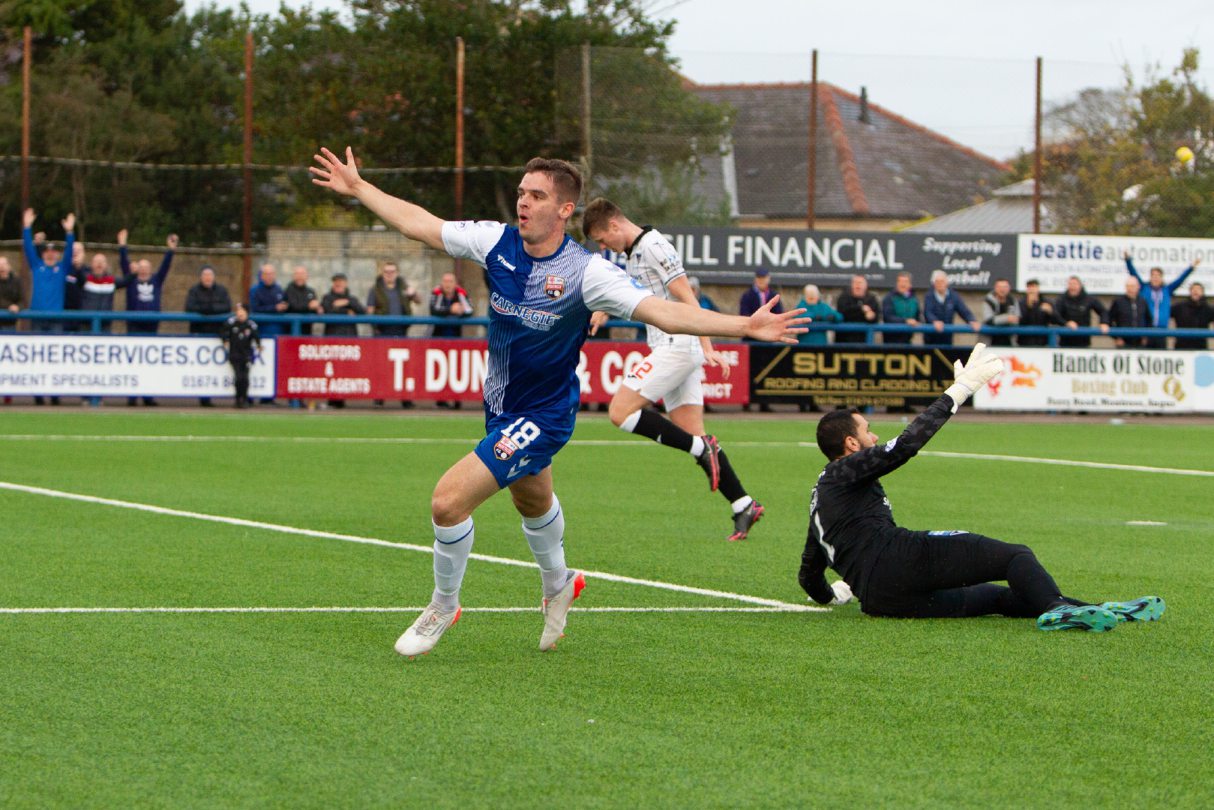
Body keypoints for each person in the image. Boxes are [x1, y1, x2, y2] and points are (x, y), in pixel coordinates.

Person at [310, 146, 805, 658]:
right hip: (501, 407)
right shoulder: (495, 242)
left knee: (447, 502)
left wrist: (744, 325)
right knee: (532, 500)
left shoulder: (588, 273)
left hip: (544, 415)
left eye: (537, 196)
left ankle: (443, 605)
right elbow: (423, 225)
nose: (523, 203)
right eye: (522, 193)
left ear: (565, 210)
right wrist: (360, 189)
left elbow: (663, 311)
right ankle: (559, 582)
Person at [798, 343, 1165, 631]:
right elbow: (906, 445)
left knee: (997, 599)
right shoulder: (845, 471)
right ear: (850, 444)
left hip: (881, 600)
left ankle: (1096, 610)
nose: (873, 435)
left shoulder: (820, 496)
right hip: (898, 562)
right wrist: (958, 392)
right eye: (866, 431)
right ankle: (1058, 610)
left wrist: (833, 596)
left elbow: (809, 574)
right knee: (1014, 556)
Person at [582, 197, 765, 542]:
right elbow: (640, 295)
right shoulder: (635, 252)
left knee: (620, 411)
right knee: (691, 432)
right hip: (675, 347)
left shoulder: (653, 246)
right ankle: (743, 503)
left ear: (614, 225)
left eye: (602, 239)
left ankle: (703, 449)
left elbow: (688, 300)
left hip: (678, 345)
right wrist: (605, 310)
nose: (604, 247)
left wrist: (708, 346)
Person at [367, 260, 421, 408]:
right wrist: (375, 325)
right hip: (383, 332)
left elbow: (418, 301)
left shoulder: (403, 288)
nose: (389, 275)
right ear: (382, 274)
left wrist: (413, 293)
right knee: (381, 366)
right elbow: (370, 310)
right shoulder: (375, 289)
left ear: (396, 273)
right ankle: (380, 397)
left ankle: (405, 398)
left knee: (405, 367)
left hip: (401, 331)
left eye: (392, 272)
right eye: (386, 272)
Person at [1124, 251, 1198, 349]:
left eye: (1158, 276)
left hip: (1162, 330)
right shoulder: (1144, 288)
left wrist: (1191, 267)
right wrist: (1128, 260)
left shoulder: (1167, 290)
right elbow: (1134, 273)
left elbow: (1180, 279)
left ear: (1162, 278)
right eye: (1153, 276)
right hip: (1146, 330)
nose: (1155, 278)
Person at [21, 208, 75, 334]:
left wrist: (70, 232)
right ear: (43, 254)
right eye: (47, 252)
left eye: (53, 252)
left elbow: (69, 252)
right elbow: (28, 248)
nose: (50, 255)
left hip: (56, 318)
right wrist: (27, 227)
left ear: (57, 254)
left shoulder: (62, 268)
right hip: (37, 316)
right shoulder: (36, 265)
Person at [185, 265, 233, 407]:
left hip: (217, 334)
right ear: (201, 277)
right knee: (199, 367)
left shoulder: (221, 290)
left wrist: (208, 309)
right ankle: (202, 397)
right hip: (199, 333)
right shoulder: (194, 291)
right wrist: (210, 310)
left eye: (210, 275)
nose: (207, 278)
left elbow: (226, 307)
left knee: (215, 366)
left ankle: (212, 395)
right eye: (205, 275)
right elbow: (190, 307)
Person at [119, 229, 177, 335]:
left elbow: (165, 266)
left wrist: (171, 250)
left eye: (146, 267)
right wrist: (122, 246)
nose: (144, 270)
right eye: (141, 267)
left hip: (152, 324)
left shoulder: (156, 280)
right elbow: (124, 264)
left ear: (150, 269)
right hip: (133, 324)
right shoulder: (131, 280)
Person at [923, 270, 980, 346]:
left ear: (947, 282)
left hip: (947, 337)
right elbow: (928, 312)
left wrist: (972, 320)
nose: (940, 284)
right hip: (931, 337)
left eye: (942, 281)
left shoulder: (953, 296)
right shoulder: (929, 296)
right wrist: (934, 321)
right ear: (933, 284)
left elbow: (963, 310)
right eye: (937, 282)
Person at [221, 302, 262, 409]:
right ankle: (238, 398)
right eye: (238, 312)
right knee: (238, 377)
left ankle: (245, 398)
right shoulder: (231, 323)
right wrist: (225, 340)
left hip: (246, 355)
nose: (240, 314)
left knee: (245, 378)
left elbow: (256, 336)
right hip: (235, 354)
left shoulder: (251, 325)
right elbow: (224, 332)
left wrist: (258, 345)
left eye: (242, 312)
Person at [1053, 275, 1109, 348]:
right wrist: (1066, 323)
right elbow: (1055, 315)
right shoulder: (1061, 300)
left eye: (1075, 284)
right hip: (1065, 342)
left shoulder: (1088, 299)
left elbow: (1103, 311)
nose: (1072, 287)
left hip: (1084, 342)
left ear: (1080, 286)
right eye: (1070, 284)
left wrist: (1104, 322)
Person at [835, 274, 880, 344]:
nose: (858, 286)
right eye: (855, 283)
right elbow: (843, 313)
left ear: (866, 285)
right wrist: (861, 309)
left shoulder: (871, 299)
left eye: (860, 283)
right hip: (844, 341)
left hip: (865, 341)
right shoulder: (843, 298)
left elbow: (876, 318)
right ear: (851, 285)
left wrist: (872, 317)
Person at [1107, 276, 1150, 349]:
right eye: (1128, 286)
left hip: (1139, 343)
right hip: (1123, 343)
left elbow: (1149, 320)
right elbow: (1109, 319)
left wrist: (1146, 336)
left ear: (1138, 287)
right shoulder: (1118, 302)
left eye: (1133, 286)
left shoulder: (1143, 302)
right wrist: (1116, 337)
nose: (1130, 289)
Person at [881, 271, 921, 344]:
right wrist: (906, 321)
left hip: (908, 339)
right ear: (897, 283)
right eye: (900, 281)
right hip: (891, 340)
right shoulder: (889, 298)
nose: (903, 284)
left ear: (910, 284)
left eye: (905, 282)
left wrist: (917, 322)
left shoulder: (914, 299)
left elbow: (918, 317)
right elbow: (888, 317)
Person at [1172, 282, 1214, 350]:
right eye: (1193, 289)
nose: (1195, 291)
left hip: (1201, 347)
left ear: (1202, 292)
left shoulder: (1208, 309)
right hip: (1181, 347)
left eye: (1198, 289)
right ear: (1190, 292)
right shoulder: (1180, 307)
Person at [980, 278, 1021, 347]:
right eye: (1000, 287)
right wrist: (1006, 318)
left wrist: (1013, 320)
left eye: (1005, 287)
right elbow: (988, 320)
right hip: (990, 341)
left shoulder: (1013, 301)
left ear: (1009, 288)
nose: (1002, 290)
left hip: (1009, 341)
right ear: (995, 288)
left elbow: (1017, 318)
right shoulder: (988, 301)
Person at [429, 271, 472, 337]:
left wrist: (461, 311)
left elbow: (470, 310)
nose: (448, 284)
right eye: (445, 281)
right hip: (437, 334)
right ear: (441, 283)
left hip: (456, 334)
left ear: (455, 283)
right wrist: (451, 310)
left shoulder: (461, 293)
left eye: (450, 281)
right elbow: (433, 311)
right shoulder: (436, 292)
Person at [249, 263, 287, 337]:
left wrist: (285, 306)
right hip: (262, 328)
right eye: (266, 274)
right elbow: (255, 308)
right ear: (262, 275)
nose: (269, 276)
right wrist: (274, 308)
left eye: (271, 274)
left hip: (279, 328)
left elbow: (283, 303)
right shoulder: (255, 290)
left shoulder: (278, 289)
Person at [1016, 279, 1056, 347]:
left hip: (1043, 341)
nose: (1032, 290)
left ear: (1038, 288)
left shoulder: (1046, 302)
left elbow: (1055, 321)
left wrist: (1051, 312)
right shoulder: (1021, 303)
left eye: (1034, 287)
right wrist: (1028, 307)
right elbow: (1020, 321)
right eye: (1030, 287)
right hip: (1024, 341)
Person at [284, 265, 322, 335]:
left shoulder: (311, 291)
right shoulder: (289, 290)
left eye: (302, 274)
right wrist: (309, 306)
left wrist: (318, 309)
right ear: (293, 276)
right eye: (297, 274)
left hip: (307, 330)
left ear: (307, 276)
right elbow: (294, 306)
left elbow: (315, 306)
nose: (300, 276)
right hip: (291, 331)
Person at [0, 257, 24, 323]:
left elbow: (22, 300)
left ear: (9, 267)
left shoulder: (16, 281)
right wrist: (9, 306)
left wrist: (18, 307)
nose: (1, 267)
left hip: (10, 322)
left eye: (4, 264)